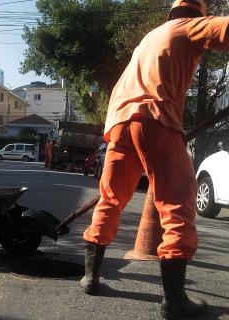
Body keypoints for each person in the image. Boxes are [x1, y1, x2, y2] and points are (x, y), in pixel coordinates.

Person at [80, 1, 226, 318]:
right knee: (177, 203)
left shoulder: (151, 37)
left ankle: (90, 276)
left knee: (111, 198)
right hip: (155, 120)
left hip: (120, 123)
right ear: (197, 13)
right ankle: (174, 301)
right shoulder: (188, 27)